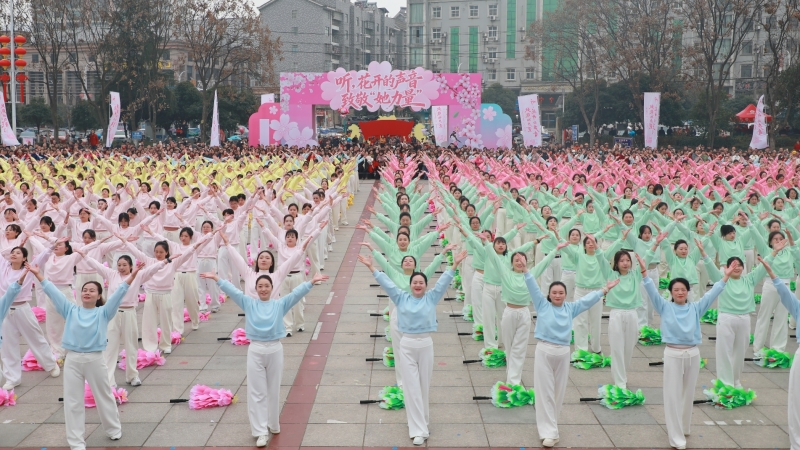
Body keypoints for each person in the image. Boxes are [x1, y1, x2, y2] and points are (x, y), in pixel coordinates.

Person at [200, 270, 329, 447]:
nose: (263, 289)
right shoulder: (249, 303)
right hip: (256, 350)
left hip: (275, 348)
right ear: (255, 288)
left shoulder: (279, 304)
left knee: (273, 389)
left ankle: (273, 423)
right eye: (260, 286)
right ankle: (260, 432)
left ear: (272, 288)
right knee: (257, 392)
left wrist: (311, 282)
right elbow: (233, 292)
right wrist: (217, 279)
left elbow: (295, 295)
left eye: (266, 286)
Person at [29, 260, 144, 450]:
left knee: (104, 396)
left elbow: (121, 292)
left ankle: (113, 429)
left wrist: (133, 274)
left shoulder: (104, 312)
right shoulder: (71, 310)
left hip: (95, 359)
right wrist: (38, 275)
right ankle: (76, 441)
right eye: (84, 290)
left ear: (99, 295)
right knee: (73, 401)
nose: (87, 292)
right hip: (73, 359)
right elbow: (53, 293)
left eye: (92, 290)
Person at [359, 249, 467, 446]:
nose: (418, 285)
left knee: (424, 386)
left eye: (421, 282)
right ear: (410, 285)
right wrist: (371, 267)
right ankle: (417, 429)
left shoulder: (431, 298)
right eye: (415, 282)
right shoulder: (401, 298)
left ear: (425, 286)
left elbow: (442, 283)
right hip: (407, 345)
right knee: (411, 388)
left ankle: (423, 422)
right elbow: (387, 284)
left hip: (426, 344)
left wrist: (454, 264)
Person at [640, 253, 730, 449]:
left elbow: (712, 293)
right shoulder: (664, 306)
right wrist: (644, 272)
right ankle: (676, 437)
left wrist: (725, 277)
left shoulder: (696, 308)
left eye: (683, 289)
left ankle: (684, 426)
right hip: (673, 353)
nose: (680, 292)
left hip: (693, 354)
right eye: (676, 290)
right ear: (671, 292)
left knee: (688, 393)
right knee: (672, 395)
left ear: (688, 291)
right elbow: (651, 291)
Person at [523, 265, 619, 448]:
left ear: (565, 294)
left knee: (558, 392)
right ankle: (548, 432)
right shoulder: (542, 305)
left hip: (563, 352)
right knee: (544, 393)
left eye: (561, 292)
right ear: (549, 295)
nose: (557, 295)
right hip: (544, 350)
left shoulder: (571, 308)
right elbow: (533, 288)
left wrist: (605, 289)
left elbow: (588, 300)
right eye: (554, 292)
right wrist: (526, 271)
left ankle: (551, 426)